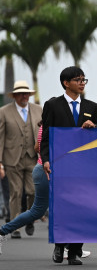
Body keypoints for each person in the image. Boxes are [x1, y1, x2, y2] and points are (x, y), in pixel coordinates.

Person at [41, 67, 97, 265]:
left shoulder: (93, 107)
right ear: (66, 83)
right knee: (63, 207)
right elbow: (46, 135)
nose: (82, 82)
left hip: (85, 166)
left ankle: (75, 250)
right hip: (61, 163)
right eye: (78, 79)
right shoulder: (52, 105)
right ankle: (60, 245)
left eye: (84, 79)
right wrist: (46, 159)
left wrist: (93, 128)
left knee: (83, 208)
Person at [0, 80, 41, 238]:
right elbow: (1, 138)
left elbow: (43, 133)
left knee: (32, 191)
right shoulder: (4, 112)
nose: (24, 96)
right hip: (12, 159)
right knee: (15, 192)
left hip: (32, 157)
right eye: (21, 93)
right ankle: (15, 227)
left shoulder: (39, 110)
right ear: (15, 96)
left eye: (27, 93)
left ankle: (29, 218)